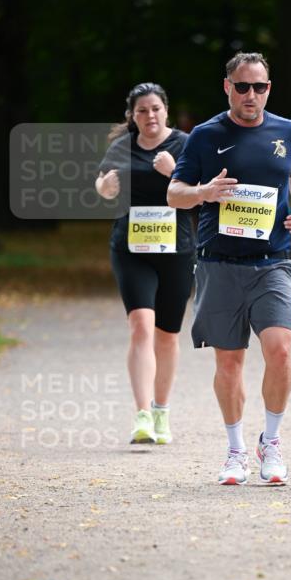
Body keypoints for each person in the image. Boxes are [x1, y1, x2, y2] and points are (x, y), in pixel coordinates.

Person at [167, 52, 291, 485]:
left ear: (270, 88)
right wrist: (205, 192)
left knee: (281, 349)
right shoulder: (205, 136)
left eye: (260, 87)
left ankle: (272, 441)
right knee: (229, 362)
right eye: (243, 86)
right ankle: (235, 450)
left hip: (273, 261)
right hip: (218, 262)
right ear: (227, 86)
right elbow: (175, 194)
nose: (252, 95)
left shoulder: (288, 131)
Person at [96, 82, 193, 445]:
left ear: (165, 110)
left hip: (176, 251)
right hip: (131, 248)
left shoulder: (185, 145)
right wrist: (104, 189)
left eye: (155, 108)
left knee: (167, 335)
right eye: (142, 111)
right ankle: (141, 416)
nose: (149, 116)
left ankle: (161, 411)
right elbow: (102, 185)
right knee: (140, 325)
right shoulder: (122, 147)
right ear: (132, 117)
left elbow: (204, 196)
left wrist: (174, 173)